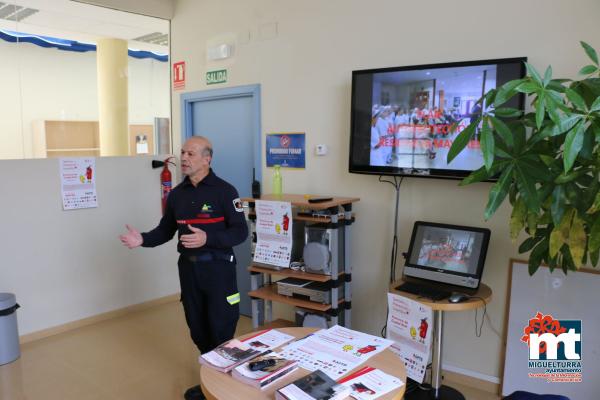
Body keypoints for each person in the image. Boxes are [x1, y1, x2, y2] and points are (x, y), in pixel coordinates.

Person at [119, 136, 248, 400]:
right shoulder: (177, 194)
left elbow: (240, 231)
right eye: (183, 153)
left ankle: (228, 389)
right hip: (189, 272)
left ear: (207, 158)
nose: (185, 158)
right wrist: (143, 239)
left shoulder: (226, 191)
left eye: (191, 153)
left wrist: (207, 238)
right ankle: (211, 384)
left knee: (221, 329)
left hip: (219, 272)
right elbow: (166, 230)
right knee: (198, 329)